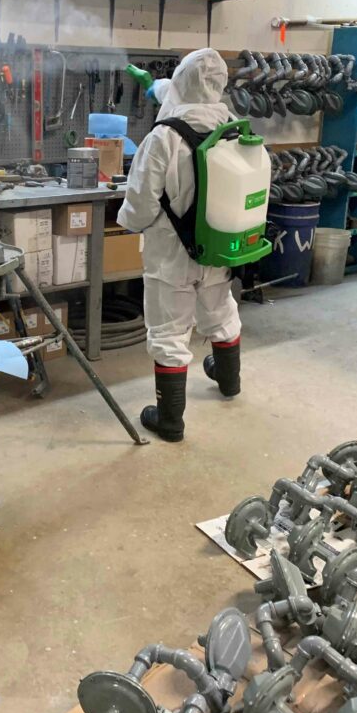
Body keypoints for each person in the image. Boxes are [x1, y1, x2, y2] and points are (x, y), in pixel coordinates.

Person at [118, 48, 241, 443]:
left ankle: (169, 420)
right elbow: (178, 92)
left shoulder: (164, 138)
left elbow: (139, 208)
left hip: (171, 254)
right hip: (220, 246)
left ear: (181, 82)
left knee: (169, 331)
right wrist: (152, 84)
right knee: (221, 311)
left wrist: (133, 223)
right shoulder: (235, 129)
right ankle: (229, 381)